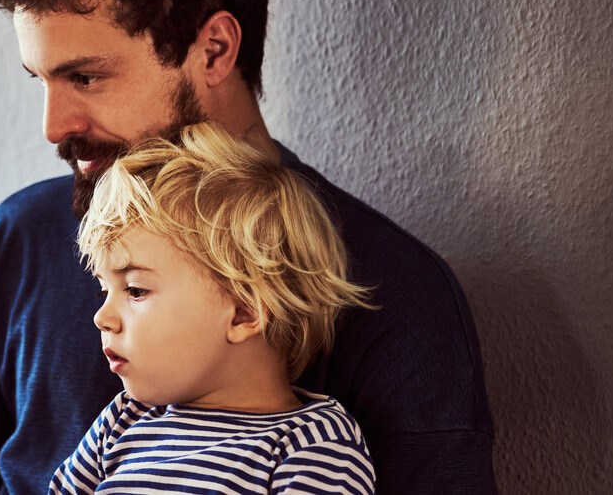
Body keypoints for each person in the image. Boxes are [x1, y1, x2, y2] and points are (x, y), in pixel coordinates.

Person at [0, 0, 495, 493]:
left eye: (86, 78)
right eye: (41, 81)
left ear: (215, 50)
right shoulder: (21, 240)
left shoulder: (390, 295)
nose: (53, 126)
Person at [51, 121, 375, 493]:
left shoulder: (312, 447)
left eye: (136, 290)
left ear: (244, 311)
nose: (102, 317)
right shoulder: (123, 420)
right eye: (104, 290)